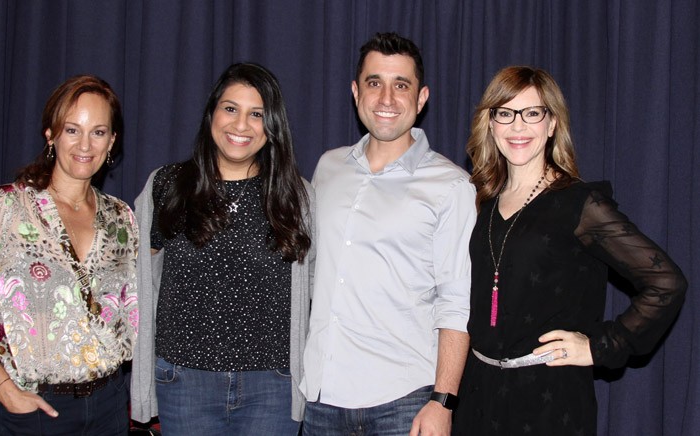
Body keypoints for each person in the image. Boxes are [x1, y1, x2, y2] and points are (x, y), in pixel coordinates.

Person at [452, 66, 688, 435]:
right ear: (491, 123)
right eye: (505, 113)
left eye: (532, 113)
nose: (518, 126)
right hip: (478, 398)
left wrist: (602, 346)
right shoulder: (484, 201)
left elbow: (666, 282)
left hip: (549, 404)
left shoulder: (580, 204)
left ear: (551, 124)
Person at [300, 32, 477, 436]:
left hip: (404, 403)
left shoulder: (451, 186)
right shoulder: (328, 168)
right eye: (374, 82)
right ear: (355, 91)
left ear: (422, 97)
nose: (386, 98)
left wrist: (443, 401)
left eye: (402, 85)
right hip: (320, 399)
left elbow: (456, 303)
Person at [130, 62, 315, 435]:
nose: (240, 125)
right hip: (183, 381)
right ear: (212, 112)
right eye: (230, 108)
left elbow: (314, 293)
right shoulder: (167, 186)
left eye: (257, 114)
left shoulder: (297, 197)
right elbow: (141, 286)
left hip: (272, 385)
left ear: (273, 126)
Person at [0, 75, 139, 435]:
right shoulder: (2, 208)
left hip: (110, 404)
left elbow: (134, 307)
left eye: (98, 132)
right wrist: (5, 390)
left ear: (112, 141)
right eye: (72, 129)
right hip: (35, 406)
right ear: (51, 135)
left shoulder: (121, 218)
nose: (85, 144)